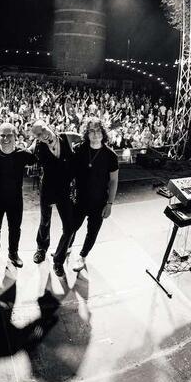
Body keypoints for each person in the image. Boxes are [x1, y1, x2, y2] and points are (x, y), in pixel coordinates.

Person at [67, 117, 119, 272]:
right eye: (91, 131)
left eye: (98, 130)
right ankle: (66, 248)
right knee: (71, 227)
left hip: (99, 201)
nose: (95, 134)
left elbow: (114, 181)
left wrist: (110, 204)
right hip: (79, 199)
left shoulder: (111, 155)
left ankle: (82, 256)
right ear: (87, 133)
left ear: (103, 133)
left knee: (92, 231)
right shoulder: (80, 149)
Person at [0, 122, 36, 268]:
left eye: (9, 135)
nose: (5, 138)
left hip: (15, 197)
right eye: (2, 135)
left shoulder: (22, 153)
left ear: (15, 137)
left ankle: (13, 253)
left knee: (15, 228)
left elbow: (36, 155)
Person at [29, 121, 75, 276]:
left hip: (65, 189)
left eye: (43, 130)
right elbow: (24, 153)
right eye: (38, 135)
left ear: (49, 126)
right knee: (45, 221)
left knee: (69, 227)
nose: (43, 135)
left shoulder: (67, 137)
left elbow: (86, 139)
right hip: (48, 189)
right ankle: (41, 249)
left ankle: (59, 259)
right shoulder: (38, 146)